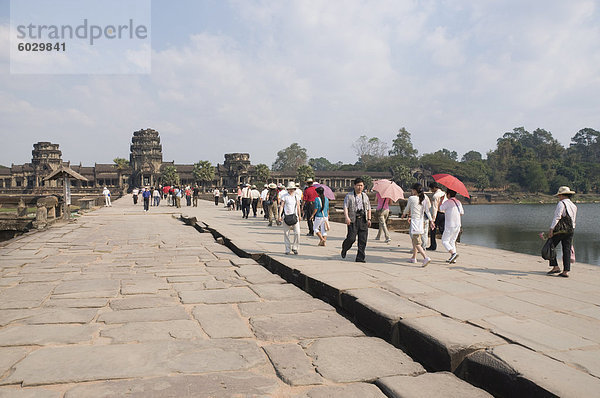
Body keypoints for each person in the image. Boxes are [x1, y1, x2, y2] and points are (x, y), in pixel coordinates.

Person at [547, 186, 577, 277]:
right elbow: (573, 219)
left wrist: (551, 229)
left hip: (560, 230)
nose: (559, 197)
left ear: (561, 195)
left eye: (559, 195)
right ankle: (566, 271)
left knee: (550, 245)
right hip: (570, 229)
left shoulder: (561, 204)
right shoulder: (573, 205)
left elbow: (557, 217)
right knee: (566, 249)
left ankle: (555, 266)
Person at [341, 177, 371, 263]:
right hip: (353, 219)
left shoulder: (365, 196)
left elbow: (368, 208)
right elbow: (345, 207)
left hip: (363, 219)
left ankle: (360, 258)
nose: (360, 187)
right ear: (354, 186)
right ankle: (345, 248)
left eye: (361, 185)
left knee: (363, 240)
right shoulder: (349, 196)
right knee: (351, 238)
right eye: (358, 185)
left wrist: (369, 219)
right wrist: (347, 217)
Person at [402, 183, 433, 267]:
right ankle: (414, 257)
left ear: (415, 190)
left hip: (415, 222)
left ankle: (425, 257)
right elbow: (427, 211)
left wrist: (404, 214)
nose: (411, 191)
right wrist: (431, 221)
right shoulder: (424, 198)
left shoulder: (412, 198)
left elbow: (407, 208)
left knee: (416, 241)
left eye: (412, 190)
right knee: (415, 240)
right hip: (421, 222)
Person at [439, 189, 464, 264]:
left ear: (448, 194)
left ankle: (453, 253)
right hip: (458, 225)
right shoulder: (458, 202)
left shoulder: (448, 202)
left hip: (450, 225)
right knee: (452, 241)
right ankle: (454, 259)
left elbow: (440, 209)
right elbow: (462, 213)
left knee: (444, 241)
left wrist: (441, 201)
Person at [278, 182, 301, 255]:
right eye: (290, 189)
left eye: (292, 189)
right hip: (286, 216)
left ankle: (295, 247)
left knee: (297, 233)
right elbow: (281, 206)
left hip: (295, 216)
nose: (291, 190)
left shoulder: (296, 196)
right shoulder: (284, 196)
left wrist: (300, 215)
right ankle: (287, 249)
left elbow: (298, 206)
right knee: (286, 233)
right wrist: (279, 215)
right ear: (287, 189)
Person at [427, 182, 446, 251]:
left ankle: (433, 245)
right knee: (443, 230)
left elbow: (434, 208)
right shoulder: (444, 194)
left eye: (431, 189)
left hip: (438, 213)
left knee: (432, 230)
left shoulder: (435, 196)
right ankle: (449, 243)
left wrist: (433, 218)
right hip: (444, 214)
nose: (431, 190)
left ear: (434, 188)